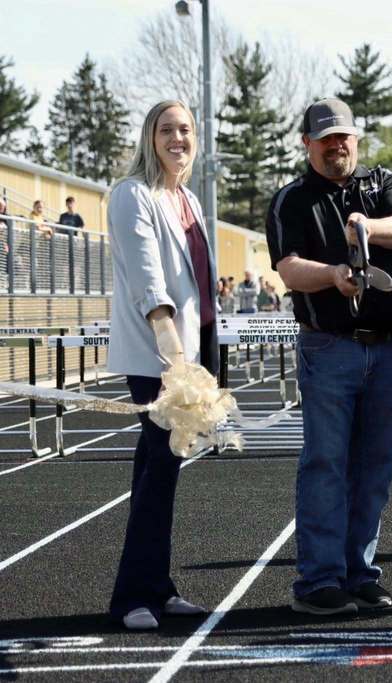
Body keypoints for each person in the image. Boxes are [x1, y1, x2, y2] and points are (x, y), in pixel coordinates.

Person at [267, 97, 392, 615]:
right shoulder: (290, 200)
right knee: (327, 464)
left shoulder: (382, 183)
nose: (338, 145)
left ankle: (360, 572)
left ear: (357, 139)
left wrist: (365, 227)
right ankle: (318, 580)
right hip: (327, 345)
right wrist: (333, 275)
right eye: (327, 138)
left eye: (345, 136)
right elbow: (287, 269)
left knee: (375, 464)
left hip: (386, 345)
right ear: (307, 143)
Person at [106, 100, 219, 630]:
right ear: (150, 138)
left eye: (186, 130)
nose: (178, 138)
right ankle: (132, 597)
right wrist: (174, 355)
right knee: (158, 470)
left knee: (160, 472)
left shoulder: (188, 199)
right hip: (160, 357)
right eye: (167, 130)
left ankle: (156, 586)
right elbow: (147, 277)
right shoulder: (133, 194)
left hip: (192, 352)